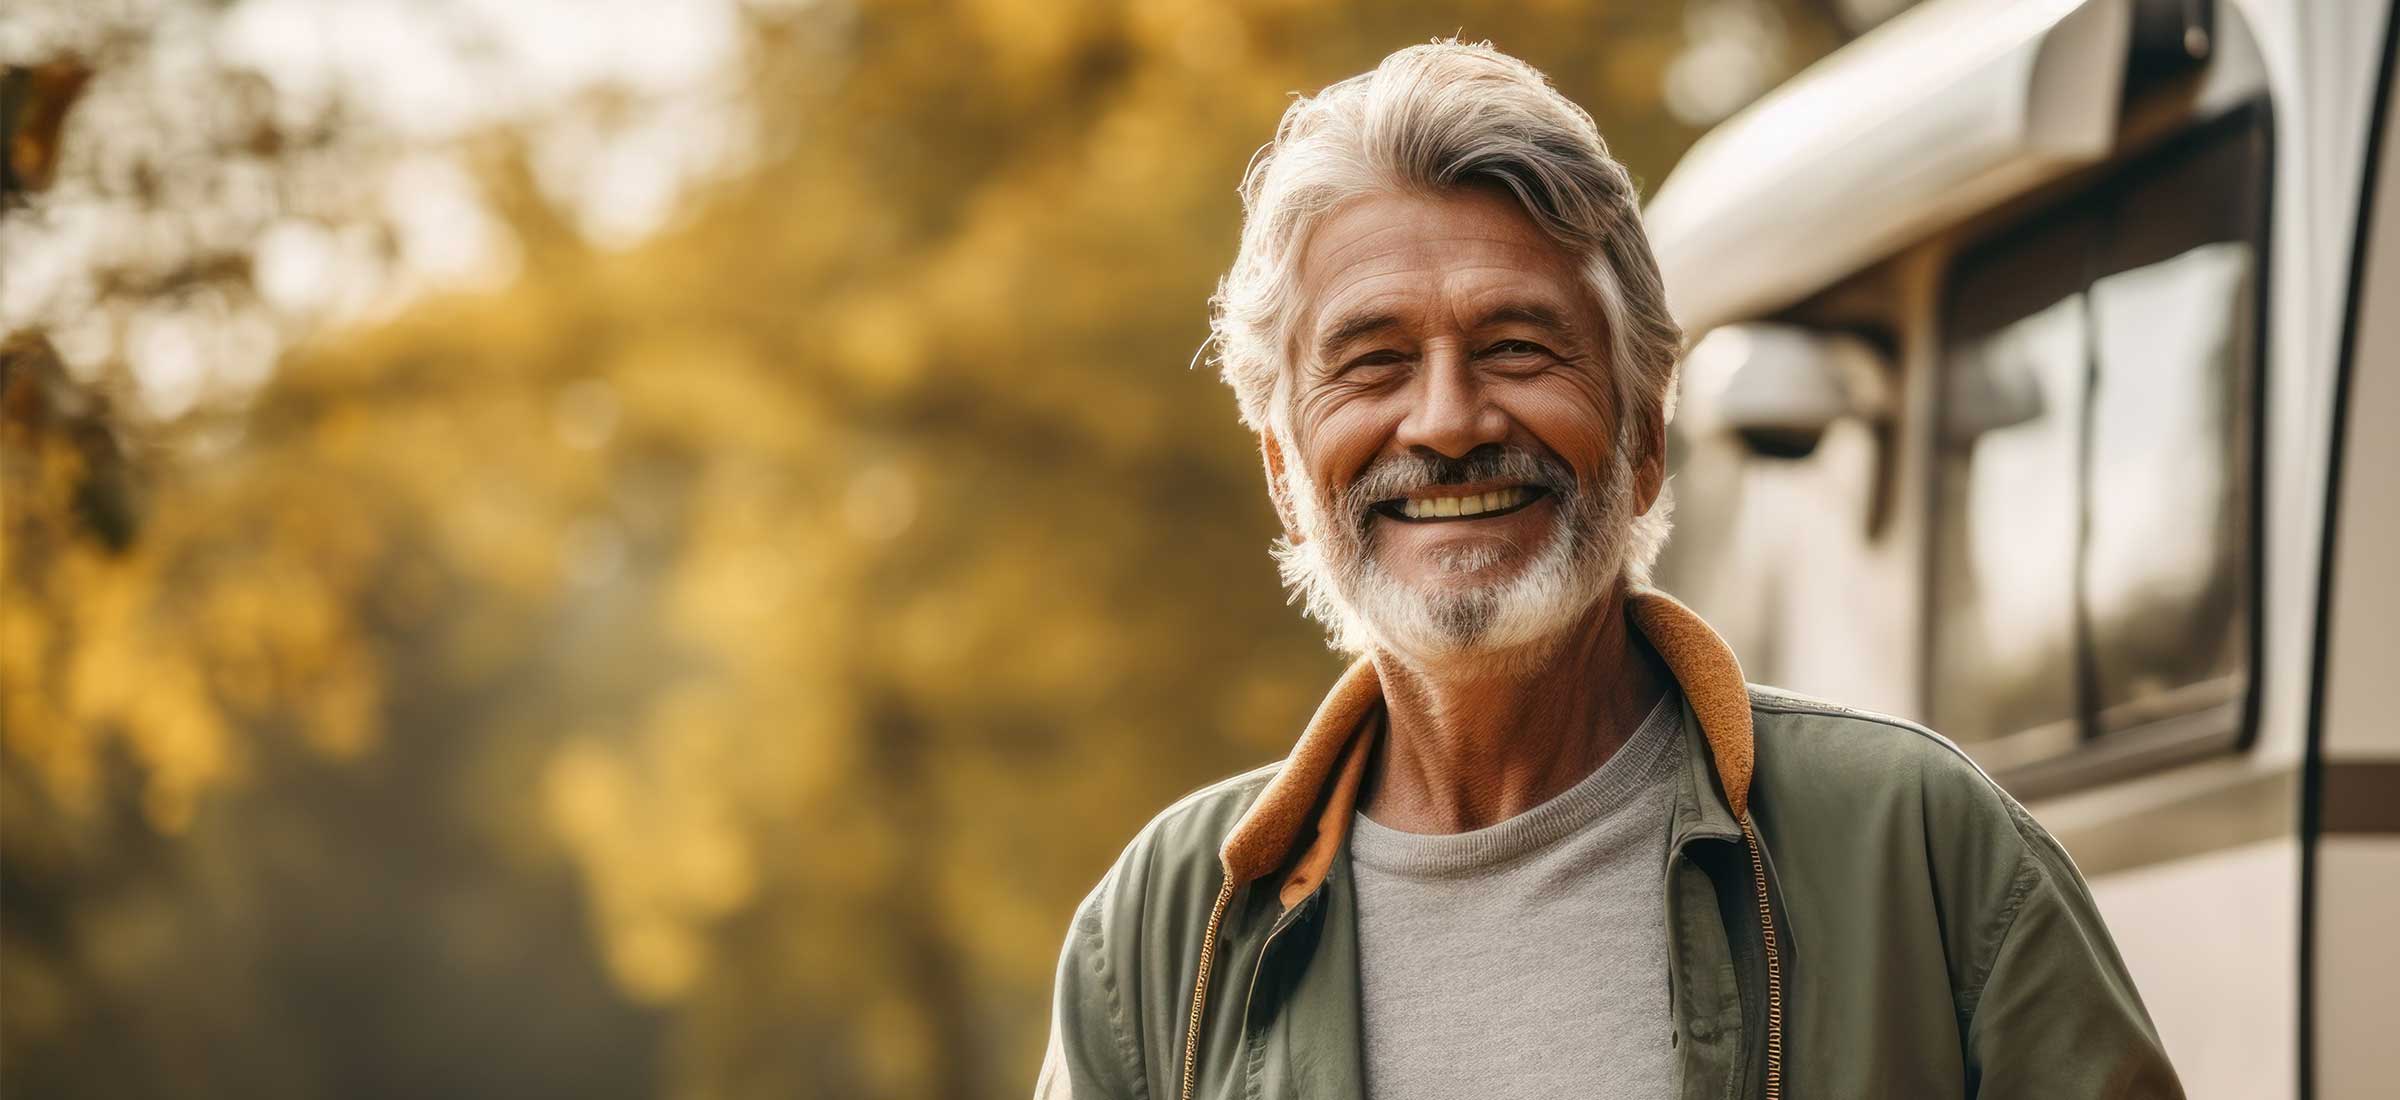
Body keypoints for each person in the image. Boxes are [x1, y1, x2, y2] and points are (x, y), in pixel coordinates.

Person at [1035, 38, 2181, 1100]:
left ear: (1644, 440)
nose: (1447, 420)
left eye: (1517, 347)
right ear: (1285, 469)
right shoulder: (1163, 938)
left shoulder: (1925, 850)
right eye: (1374, 362)